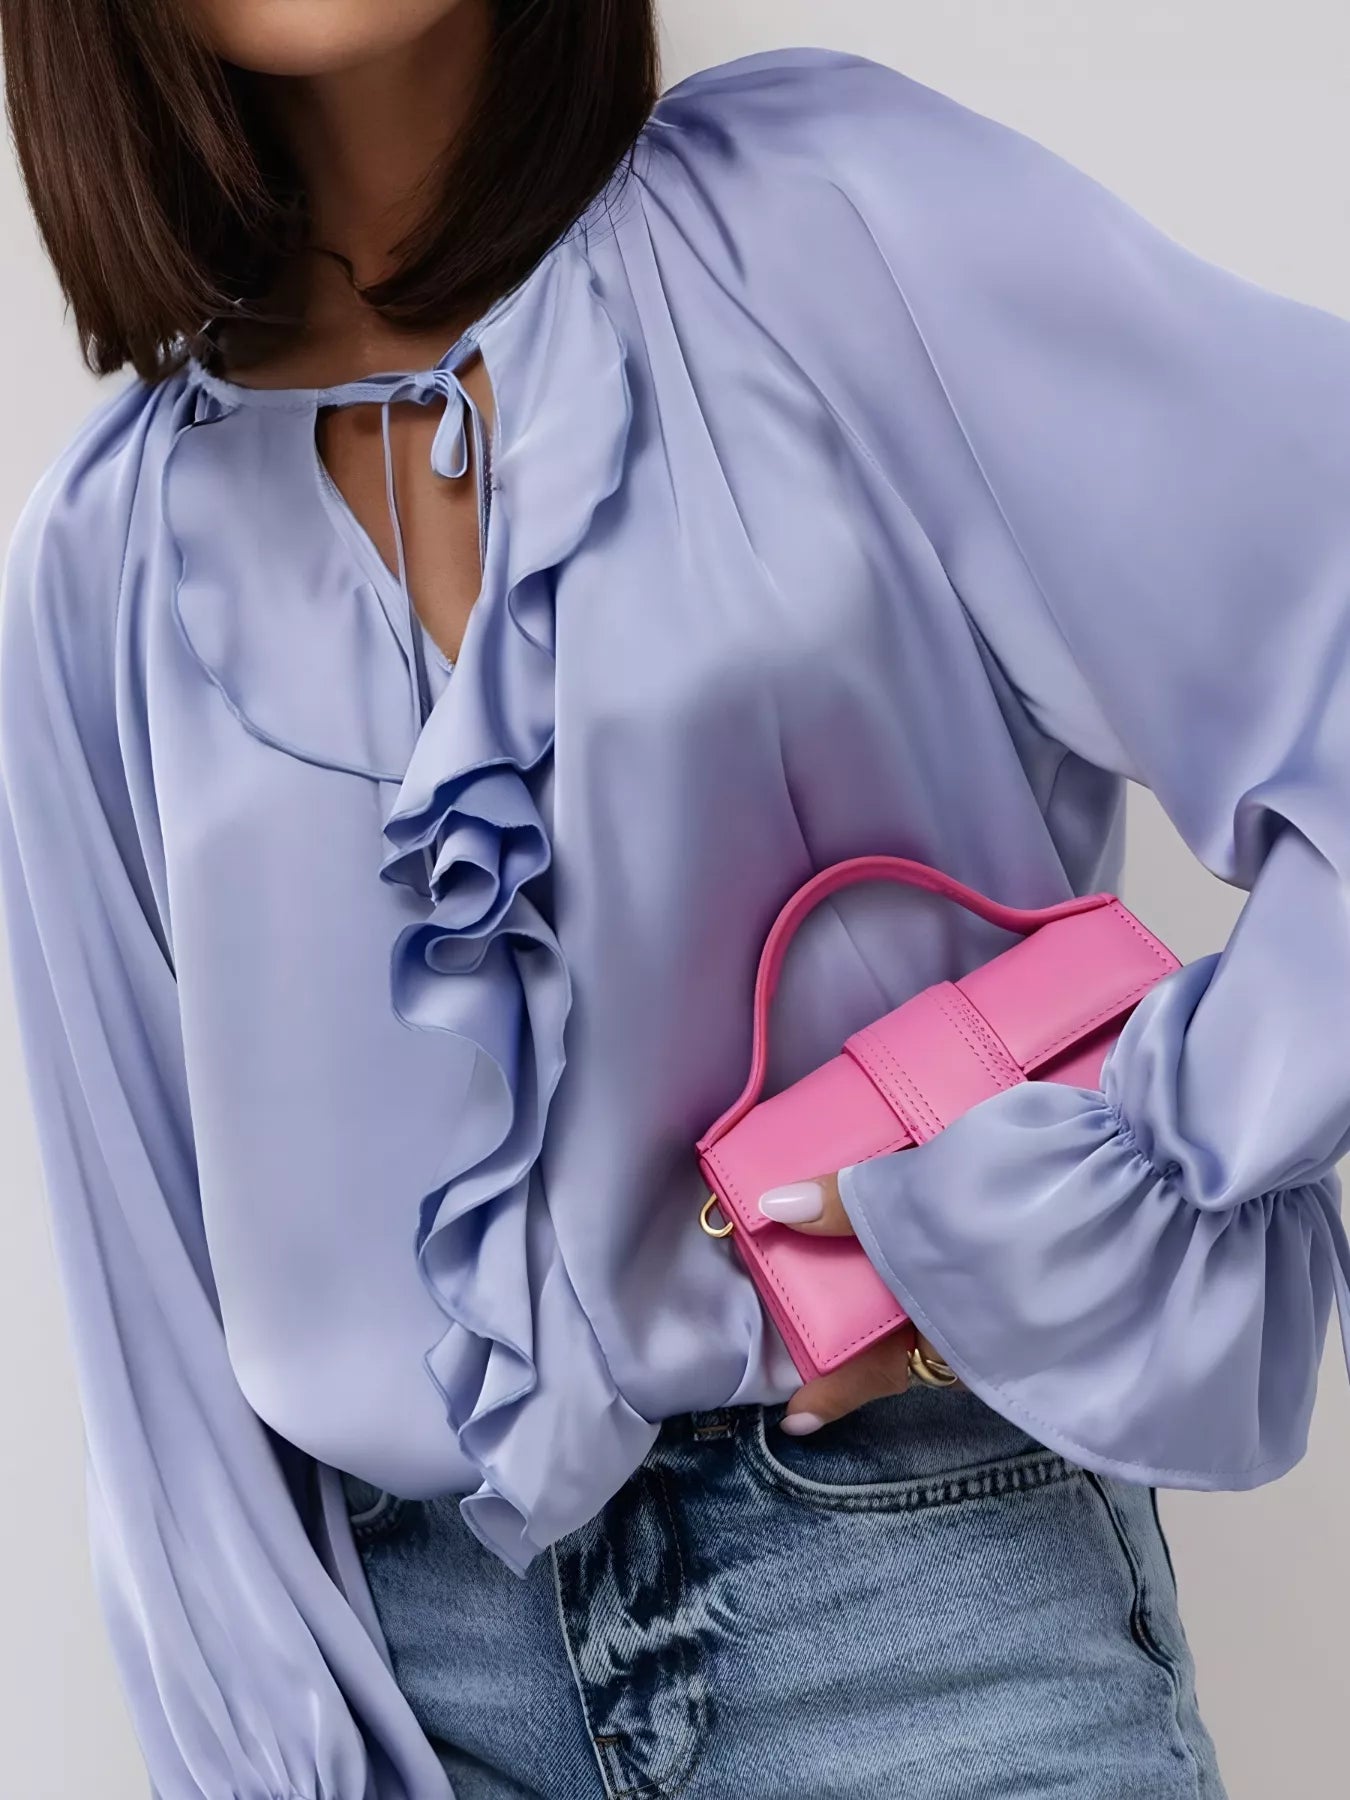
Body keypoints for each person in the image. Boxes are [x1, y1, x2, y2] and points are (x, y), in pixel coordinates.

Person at [4, 1, 1349, 1794]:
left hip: (918, 1613)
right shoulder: (101, 556)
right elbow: (156, 1342)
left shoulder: (822, 225)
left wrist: (1093, 1191)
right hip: (419, 1689)